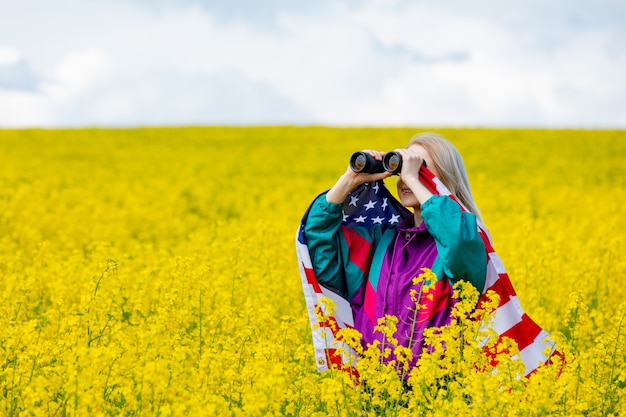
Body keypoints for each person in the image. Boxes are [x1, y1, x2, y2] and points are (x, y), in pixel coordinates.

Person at [302, 132, 487, 372]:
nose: (406, 179)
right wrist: (350, 179)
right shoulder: (383, 240)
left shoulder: (463, 241)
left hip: (436, 394)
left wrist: (414, 178)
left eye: (420, 168)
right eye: (402, 171)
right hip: (375, 394)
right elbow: (321, 248)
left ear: (445, 178)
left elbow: (457, 239)